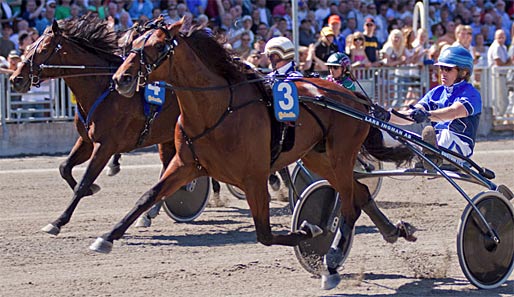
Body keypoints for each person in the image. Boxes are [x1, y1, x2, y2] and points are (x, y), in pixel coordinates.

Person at [388, 46, 481, 167]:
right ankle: (429, 154)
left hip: (459, 148)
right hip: (437, 142)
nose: (442, 72)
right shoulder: (436, 92)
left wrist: (427, 115)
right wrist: (387, 116)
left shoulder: (471, 93)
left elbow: (454, 112)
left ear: (463, 72)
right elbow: (411, 115)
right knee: (406, 139)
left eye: (448, 69)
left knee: (444, 135)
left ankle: (430, 154)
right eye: (441, 68)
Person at [263, 36, 301, 199]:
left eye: (272, 56)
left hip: (292, 125)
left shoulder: (295, 76)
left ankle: (281, 182)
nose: (270, 59)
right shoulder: (270, 76)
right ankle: (278, 180)